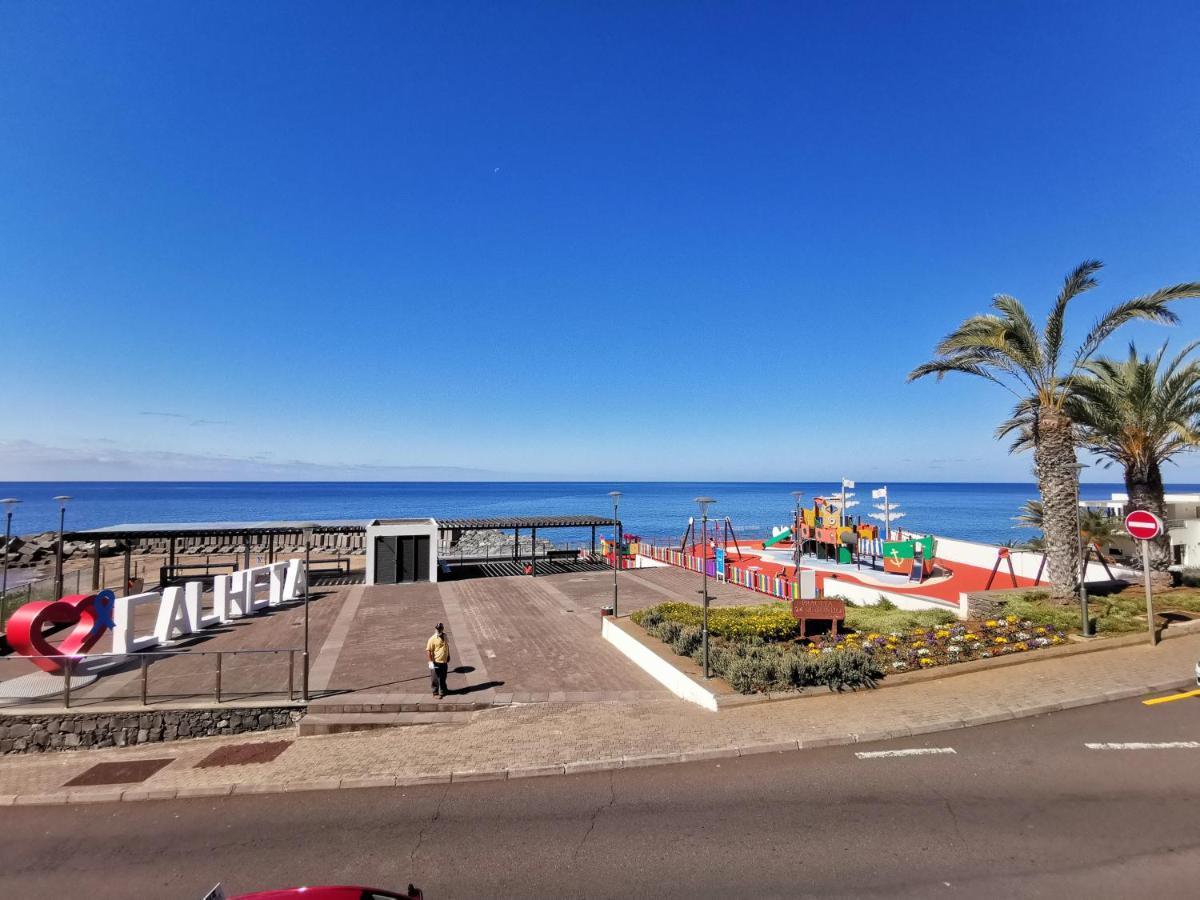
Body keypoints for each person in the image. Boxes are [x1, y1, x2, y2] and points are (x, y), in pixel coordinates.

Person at [426, 622, 450, 698]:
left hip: (444, 661)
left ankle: (443, 690)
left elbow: (447, 646)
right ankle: (435, 692)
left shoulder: (445, 636)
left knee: (443, 676)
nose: (439, 630)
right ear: (435, 629)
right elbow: (428, 651)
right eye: (437, 629)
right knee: (435, 678)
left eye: (440, 629)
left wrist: (448, 655)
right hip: (436, 662)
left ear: (442, 629)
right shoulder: (432, 639)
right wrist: (430, 662)